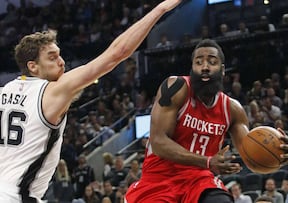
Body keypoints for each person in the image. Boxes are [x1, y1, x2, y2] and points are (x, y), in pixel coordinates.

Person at [0, 0, 182, 202]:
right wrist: (160, 9)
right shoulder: (50, 91)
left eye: (60, 56)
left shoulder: (3, 92)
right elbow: (116, 54)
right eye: (52, 58)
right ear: (33, 66)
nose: (61, 62)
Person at [125, 39, 288, 202]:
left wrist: (280, 154)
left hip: (199, 180)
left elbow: (251, 155)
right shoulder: (176, 87)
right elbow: (158, 142)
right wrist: (206, 161)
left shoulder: (232, 109)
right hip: (160, 177)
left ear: (222, 70)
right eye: (198, 62)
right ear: (192, 68)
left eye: (211, 62)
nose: (205, 67)